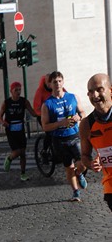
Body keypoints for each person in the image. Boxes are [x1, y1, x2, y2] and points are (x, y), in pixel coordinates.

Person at [41, 71, 87, 202]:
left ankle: (79, 174)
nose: (58, 84)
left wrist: (78, 116)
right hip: (59, 139)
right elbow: (45, 126)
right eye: (54, 82)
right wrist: (60, 123)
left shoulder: (73, 97)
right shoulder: (47, 104)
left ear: (63, 82)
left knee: (82, 163)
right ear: (50, 84)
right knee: (69, 166)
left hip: (74, 135)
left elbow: (82, 111)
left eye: (60, 81)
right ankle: (75, 192)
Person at [80, 73, 112, 212]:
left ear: (110, 90)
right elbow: (85, 156)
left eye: (100, 89)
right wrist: (91, 164)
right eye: (91, 92)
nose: (95, 95)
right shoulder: (87, 124)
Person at [0, 81, 37, 181]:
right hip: (10, 130)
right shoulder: (6, 103)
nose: (18, 92)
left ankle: (23, 173)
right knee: (17, 152)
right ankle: (9, 158)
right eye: (16, 90)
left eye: (19, 89)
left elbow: (32, 112)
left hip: (20, 129)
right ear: (11, 91)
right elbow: (0, 116)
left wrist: (42, 113)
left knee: (23, 153)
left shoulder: (24, 101)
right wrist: (3, 122)